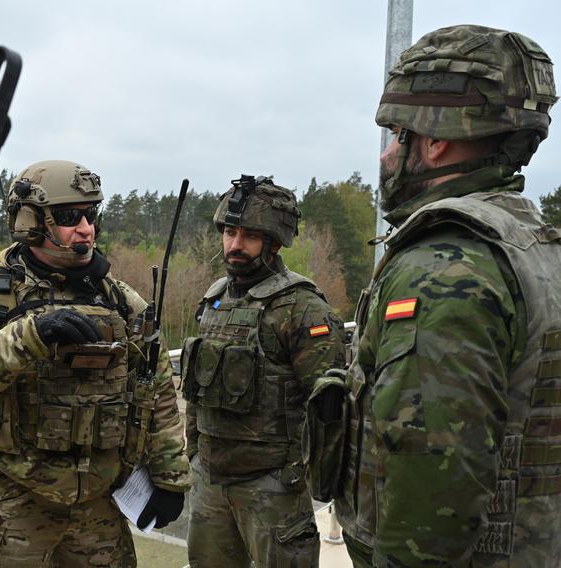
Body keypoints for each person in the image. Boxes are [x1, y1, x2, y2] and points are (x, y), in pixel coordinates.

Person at [329, 25, 561, 567]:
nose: (387, 155)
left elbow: (432, 483)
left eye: (396, 135)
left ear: (433, 142)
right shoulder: (535, 246)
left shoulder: (444, 266)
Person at [0, 160, 190, 567]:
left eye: (91, 215)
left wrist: (171, 475)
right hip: (15, 505)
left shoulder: (121, 302)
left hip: (100, 507)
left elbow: (156, 390)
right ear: (31, 223)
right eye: (70, 217)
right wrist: (29, 335)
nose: (86, 228)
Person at [181, 175, 345, 568]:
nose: (235, 245)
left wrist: (299, 473)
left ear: (274, 242)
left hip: (272, 489)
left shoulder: (302, 309)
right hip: (211, 482)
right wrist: (195, 454)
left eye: (249, 236)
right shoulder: (214, 299)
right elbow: (196, 390)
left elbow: (330, 408)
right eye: (230, 232)